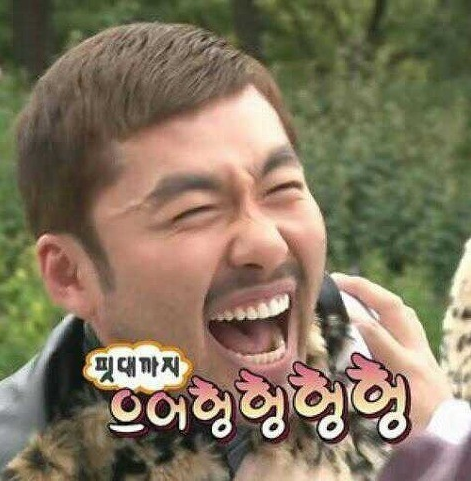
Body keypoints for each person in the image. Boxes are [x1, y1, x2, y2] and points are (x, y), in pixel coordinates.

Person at [0, 22, 463, 480]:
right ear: (71, 274)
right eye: (196, 211)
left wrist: (448, 447)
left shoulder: (387, 381)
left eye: (281, 187)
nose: (268, 244)